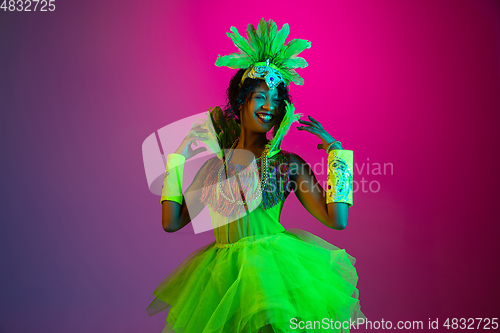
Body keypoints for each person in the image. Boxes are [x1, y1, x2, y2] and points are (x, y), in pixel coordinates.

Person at [147, 19, 365, 333]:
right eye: (261, 96)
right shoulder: (213, 169)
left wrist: (337, 155)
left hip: (273, 274)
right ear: (240, 102)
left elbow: (337, 220)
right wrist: (177, 160)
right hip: (221, 279)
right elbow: (172, 222)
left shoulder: (287, 164)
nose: (269, 106)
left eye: (277, 99)